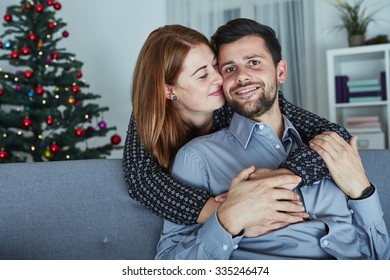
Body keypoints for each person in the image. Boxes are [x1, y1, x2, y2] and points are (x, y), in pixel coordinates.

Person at [155, 18, 390, 260]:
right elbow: (167, 266)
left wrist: (363, 192)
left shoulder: (329, 149)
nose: (242, 77)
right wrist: (228, 221)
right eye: (229, 69)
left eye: (254, 63)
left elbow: (380, 256)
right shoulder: (197, 157)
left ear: (280, 72)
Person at [122, 24, 352, 226]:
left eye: (216, 66)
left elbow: (335, 134)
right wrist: (225, 212)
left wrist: (284, 175)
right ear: (169, 90)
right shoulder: (149, 115)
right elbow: (141, 180)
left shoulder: (237, 102)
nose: (219, 78)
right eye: (202, 75)